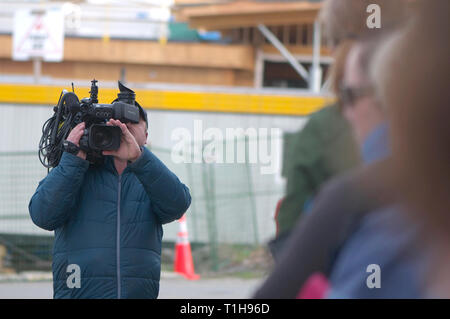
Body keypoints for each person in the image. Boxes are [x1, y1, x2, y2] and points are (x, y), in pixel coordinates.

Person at [29, 102, 192, 299]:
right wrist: (72, 160)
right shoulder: (78, 169)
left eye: (133, 122)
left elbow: (178, 205)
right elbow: (42, 215)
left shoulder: (150, 175)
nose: (124, 127)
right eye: (118, 122)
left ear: (146, 136)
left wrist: (140, 159)